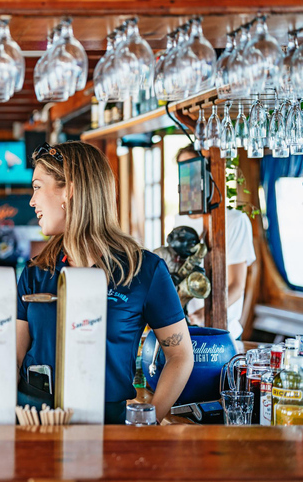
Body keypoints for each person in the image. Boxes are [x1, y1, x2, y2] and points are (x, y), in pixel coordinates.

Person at [17, 142, 194, 424]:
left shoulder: (143, 270)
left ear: (70, 190)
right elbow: (13, 360)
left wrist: (147, 423)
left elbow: (181, 356)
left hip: (108, 423)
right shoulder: (36, 272)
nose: (32, 200)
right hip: (36, 420)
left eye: (38, 187)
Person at [174, 144, 256, 339]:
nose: (188, 182)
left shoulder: (235, 221)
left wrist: (205, 314)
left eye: (193, 171)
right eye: (183, 173)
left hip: (223, 331)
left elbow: (237, 285)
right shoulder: (180, 220)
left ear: (209, 176)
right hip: (188, 331)